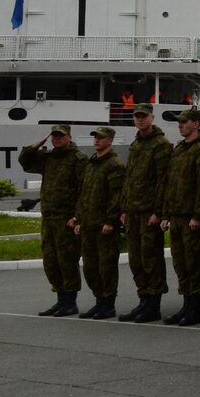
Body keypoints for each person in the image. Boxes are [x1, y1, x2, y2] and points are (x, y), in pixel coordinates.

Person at [20, 124, 86, 317]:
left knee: (67, 260)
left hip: (66, 219)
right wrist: (36, 145)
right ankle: (60, 299)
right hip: (49, 217)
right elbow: (24, 161)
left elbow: (84, 189)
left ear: (69, 137)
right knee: (50, 260)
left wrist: (77, 216)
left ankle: (70, 302)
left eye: (60, 136)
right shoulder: (48, 158)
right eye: (54, 136)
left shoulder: (77, 158)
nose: (57, 139)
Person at [159, 109, 200, 326]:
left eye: (184, 122)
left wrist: (198, 215)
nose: (180, 125)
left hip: (192, 218)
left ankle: (195, 308)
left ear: (196, 124)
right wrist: (166, 213)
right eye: (179, 122)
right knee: (181, 264)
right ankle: (187, 304)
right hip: (177, 215)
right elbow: (171, 183)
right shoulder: (180, 149)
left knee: (195, 264)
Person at [119, 103, 172, 324]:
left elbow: (164, 181)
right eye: (136, 117)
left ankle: (153, 305)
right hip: (133, 211)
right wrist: (123, 207)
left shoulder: (161, 145)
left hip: (149, 211)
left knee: (151, 258)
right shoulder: (136, 144)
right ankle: (143, 299)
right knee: (136, 259)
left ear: (152, 117)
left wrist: (158, 211)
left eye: (144, 116)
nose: (140, 120)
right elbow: (129, 178)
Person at [72, 127, 125, 320]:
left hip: (103, 224)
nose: (96, 141)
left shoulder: (115, 164)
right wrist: (78, 218)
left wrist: (111, 221)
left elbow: (116, 196)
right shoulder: (91, 163)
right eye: (95, 137)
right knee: (90, 266)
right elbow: (84, 193)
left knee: (106, 266)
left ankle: (108, 304)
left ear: (110, 140)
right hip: (88, 223)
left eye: (101, 138)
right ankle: (98, 301)